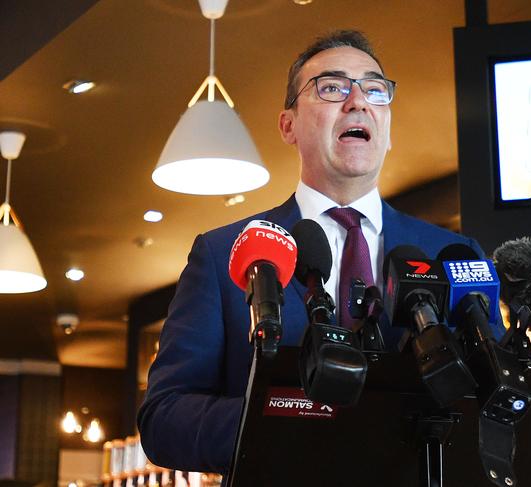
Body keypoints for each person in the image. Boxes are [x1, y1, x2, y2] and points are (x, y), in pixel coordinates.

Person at [138, 30, 499, 474]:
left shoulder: (455, 255)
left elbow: (497, 405)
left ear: (387, 130)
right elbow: (163, 418)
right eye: (331, 88)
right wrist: (290, 420)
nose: (357, 102)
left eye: (374, 89)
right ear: (288, 125)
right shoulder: (223, 254)